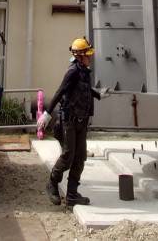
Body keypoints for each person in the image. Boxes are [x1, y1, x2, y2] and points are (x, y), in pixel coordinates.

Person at [46, 37, 102, 207]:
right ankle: (52, 183)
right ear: (79, 56)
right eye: (87, 54)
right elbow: (60, 90)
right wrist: (47, 113)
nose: (90, 57)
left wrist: (99, 94)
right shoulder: (72, 71)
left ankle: (72, 194)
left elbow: (84, 88)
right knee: (68, 156)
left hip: (81, 121)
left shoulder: (84, 71)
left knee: (80, 158)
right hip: (69, 121)